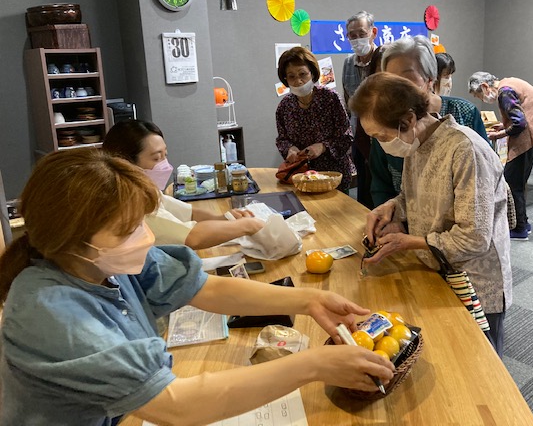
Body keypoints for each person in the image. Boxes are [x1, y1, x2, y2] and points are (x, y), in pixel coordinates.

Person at [0, 149, 394, 425]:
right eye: (129, 229)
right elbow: (175, 405)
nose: (146, 236)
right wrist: (313, 365)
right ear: (73, 237)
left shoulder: (99, 260)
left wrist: (309, 300)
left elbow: (204, 289)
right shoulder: (49, 312)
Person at [352, 72, 512, 356]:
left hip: (474, 280)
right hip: (437, 270)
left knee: (481, 362)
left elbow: (475, 238)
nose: (381, 144)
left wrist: (409, 242)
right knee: (451, 357)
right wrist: (393, 207)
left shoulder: (464, 149)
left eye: (382, 136)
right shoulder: (416, 144)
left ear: (409, 119)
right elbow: (415, 195)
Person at [102, 120, 263, 249]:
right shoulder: (131, 204)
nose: (165, 165)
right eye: (156, 158)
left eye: (165, 155)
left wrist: (223, 218)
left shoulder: (145, 190)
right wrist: (246, 226)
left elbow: (189, 213)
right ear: (125, 163)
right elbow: (193, 237)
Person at [369, 36, 489, 207]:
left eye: (407, 80)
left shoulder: (465, 114)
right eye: (390, 82)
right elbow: (381, 185)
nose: (397, 90)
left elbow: (483, 180)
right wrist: (389, 215)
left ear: (430, 79)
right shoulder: (385, 124)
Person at [468, 72, 533, 240]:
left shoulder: (504, 92)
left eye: (479, 95)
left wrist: (500, 134)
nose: (482, 99)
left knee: (511, 183)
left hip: (528, 137)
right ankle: (524, 223)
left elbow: (520, 123)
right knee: (519, 182)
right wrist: (504, 124)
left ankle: (519, 228)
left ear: (485, 86)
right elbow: (521, 113)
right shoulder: (510, 82)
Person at [276, 46, 355, 191]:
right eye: (291, 76)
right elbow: (282, 139)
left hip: (332, 175)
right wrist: (290, 149)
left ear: (312, 73)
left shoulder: (330, 98)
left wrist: (323, 147)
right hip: (301, 176)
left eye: (303, 74)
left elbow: (346, 137)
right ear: (285, 79)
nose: (298, 81)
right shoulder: (285, 106)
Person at [342, 11, 379, 208]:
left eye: (362, 34)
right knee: (364, 192)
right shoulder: (348, 63)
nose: (357, 39)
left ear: (373, 32)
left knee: (381, 190)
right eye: (352, 35)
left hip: (382, 138)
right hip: (359, 137)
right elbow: (348, 104)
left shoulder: (384, 59)